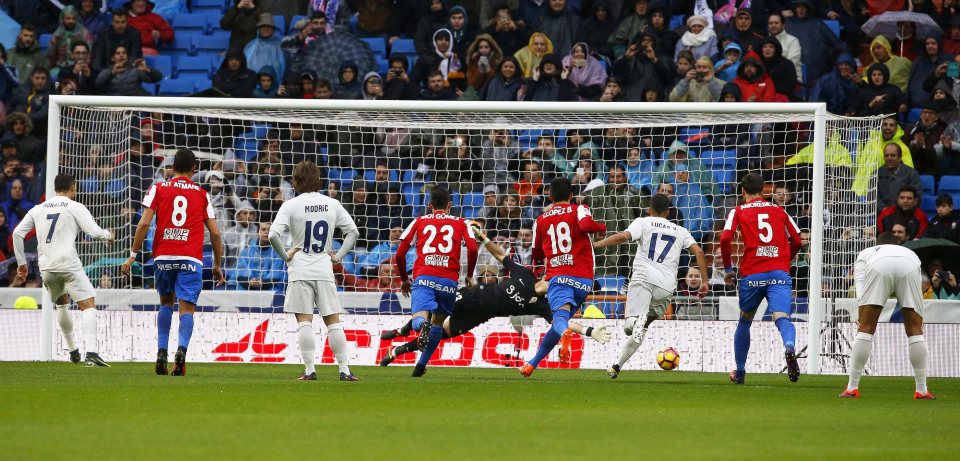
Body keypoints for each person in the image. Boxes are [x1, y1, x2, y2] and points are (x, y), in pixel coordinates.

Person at [380, 226, 611, 366]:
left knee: (438, 335)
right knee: (433, 313)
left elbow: (564, 323)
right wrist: (482, 237)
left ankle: (397, 351)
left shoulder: (544, 306)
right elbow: (501, 255)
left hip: (480, 315)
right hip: (472, 295)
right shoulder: (525, 274)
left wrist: (589, 331)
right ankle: (401, 330)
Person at [121, 149, 226, 376]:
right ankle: (181, 351)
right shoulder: (202, 194)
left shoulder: (157, 188)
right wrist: (217, 265)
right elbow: (216, 234)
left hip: (164, 256)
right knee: (186, 308)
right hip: (190, 257)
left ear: (172, 168)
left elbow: (143, 224)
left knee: (166, 303)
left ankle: (161, 351)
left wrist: (133, 254)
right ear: (194, 169)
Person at [594, 193, 709, 378]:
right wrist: (705, 281)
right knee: (643, 325)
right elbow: (699, 252)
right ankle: (616, 366)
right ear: (668, 212)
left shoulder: (643, 222)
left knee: (630, 326)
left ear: (649, 209)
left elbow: (623, 237)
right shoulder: (680, 231)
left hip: (643, 278)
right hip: (666, 287)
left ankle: (634, 323)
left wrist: (598, 244)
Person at [268, 161, 360, 381]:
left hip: (300, 269)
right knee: (333, 321)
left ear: (297, 180)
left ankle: (310, 369)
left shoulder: (290, 205)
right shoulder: (332, 203)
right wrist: (337, 257)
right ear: (318, 179)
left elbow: (272, 235)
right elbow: (353, 233)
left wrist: (286, 255)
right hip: (324, 267)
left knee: (305, 322)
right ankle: (344, 370)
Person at [12, 174, 114, 366]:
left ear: (55, 188)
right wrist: (109, 235)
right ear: (73, 187)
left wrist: (21, 263)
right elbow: (94, 232)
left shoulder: (38, 208)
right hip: (68, 264)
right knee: (88, 304)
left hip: (47, 267)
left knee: (61, 303)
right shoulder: (74, 206)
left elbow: (17, 233)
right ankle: (91, 352)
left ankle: (72, 349)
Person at [720, 172, 803, 384]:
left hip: (752, 274)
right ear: (763, 189)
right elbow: (797, 240)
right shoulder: (779, 210)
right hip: (778, 273)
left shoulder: (738, 211)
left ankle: (739, 372)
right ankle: (790, 346)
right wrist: (785, 260)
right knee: (782, 318)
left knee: (745, 320)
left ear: (742, 191)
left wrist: (729, 268)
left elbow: (725, 237)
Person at [520, 176, 606, 377]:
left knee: (560, 322)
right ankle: (532, 364)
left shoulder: (541, 219)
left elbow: (536, 253)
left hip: (559, 277)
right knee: (559, 323)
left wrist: (537, 270)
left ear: (549, 196)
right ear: (571, 195)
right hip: (584, 280)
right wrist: (602, 228)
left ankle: (572, 332)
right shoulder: (580, 208)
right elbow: (586, 226)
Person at [840, 231, 935, 400]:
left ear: (877, 243)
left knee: (866, 329)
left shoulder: (867, 253)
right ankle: (922, 390)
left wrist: (861, 314)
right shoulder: (910, 252)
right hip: (909, 265)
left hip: (879, 265)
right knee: (915, 330)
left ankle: (852, 388)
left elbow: (860, 284)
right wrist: (919, 317)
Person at [395, 186, 478, 377]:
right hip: (448, 282)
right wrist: (470, 275)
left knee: (420, 320)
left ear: (429, 205)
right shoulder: (462, 222)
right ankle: (420, 366)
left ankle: (422, 326)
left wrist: (404, 279)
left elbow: (400, 254)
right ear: (450, 205)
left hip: (424, 277)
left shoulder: (419, 221)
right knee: (438, 323)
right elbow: (473, 250)